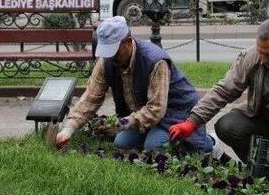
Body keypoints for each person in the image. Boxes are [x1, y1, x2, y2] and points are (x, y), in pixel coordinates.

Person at [169, 18, 269, 162]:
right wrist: (192, 122)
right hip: (264, 117)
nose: (262, 59)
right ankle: (259, 165)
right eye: (260, 52)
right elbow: (224, 90)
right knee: (227, 126)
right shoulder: (252, 56)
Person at [55, 16, 222, 156]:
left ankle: (210, 143)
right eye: (106, 52)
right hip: (145, 110)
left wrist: (122, 124)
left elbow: (156, 109)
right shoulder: (106, 60)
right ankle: (154, 134)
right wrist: (68, 130)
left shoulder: (155, 61)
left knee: (153, 147)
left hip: (176, 110)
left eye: (114, 51)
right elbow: (90, 98)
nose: (110, 58)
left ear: (128, 42)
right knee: (121, 142)